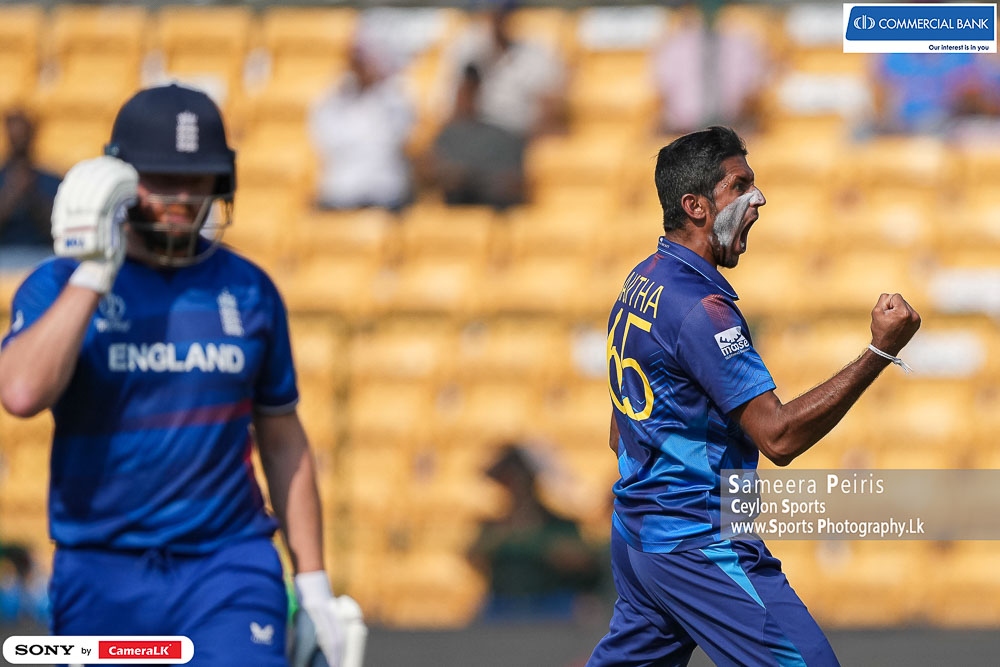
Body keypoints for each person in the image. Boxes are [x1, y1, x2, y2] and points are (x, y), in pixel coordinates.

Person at [0, 84, 362, 667]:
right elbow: (20, 393)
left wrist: (314, 583)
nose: (183, 198)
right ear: (115, 181)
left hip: (228, 565)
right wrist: (92, 274)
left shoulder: (249, 290)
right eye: (162, 179)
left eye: (198, 179)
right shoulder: (57, 284)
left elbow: (281, 436)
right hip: (101, 569)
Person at [587, 127, 920, 666]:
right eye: (740, 186)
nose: (758, 199)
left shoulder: (641, 280)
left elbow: (617, 430)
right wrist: (880, 351)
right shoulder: (703, 310)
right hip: (698, 542)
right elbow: (778, 437)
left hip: (640, 536)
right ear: (695, 206)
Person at [469, 445, 601, 619]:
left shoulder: (560, 524)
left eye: (516, 477)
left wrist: (547, 548)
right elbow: (475, 556)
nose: (513, 485)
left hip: (550, 606)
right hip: (504, 607)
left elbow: (583, 562)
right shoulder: (493, 526)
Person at [309, 39, 414, 211]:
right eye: (356, 63)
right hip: (340, 193)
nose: (361, 68)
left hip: (383, 194)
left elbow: (399, 135)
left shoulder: (394, 97)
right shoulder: (332, 100)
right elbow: (324, 140)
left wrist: (379, 84)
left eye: (365, 62)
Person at [444, 2, 566, 138]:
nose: (495, 21)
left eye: (501, 14)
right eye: (489, 14)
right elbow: (459, 111)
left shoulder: (536, 52)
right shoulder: (469, 48)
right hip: (476, 129)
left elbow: (548, 114)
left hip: (514, 134)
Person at [427, 64, 525, 209]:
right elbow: (431, 174)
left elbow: (513, 184)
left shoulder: (504, 137)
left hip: (494, 211)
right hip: (454, 211)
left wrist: (472, 179)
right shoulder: (448, 135)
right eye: (462, 92)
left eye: (471, 92)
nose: (464, 98)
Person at [0, 110, 61, 268]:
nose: (18, 138)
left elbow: (60, 231)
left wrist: (32, 196)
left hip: (41, 255)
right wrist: (11, 195)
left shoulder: (52, 180)